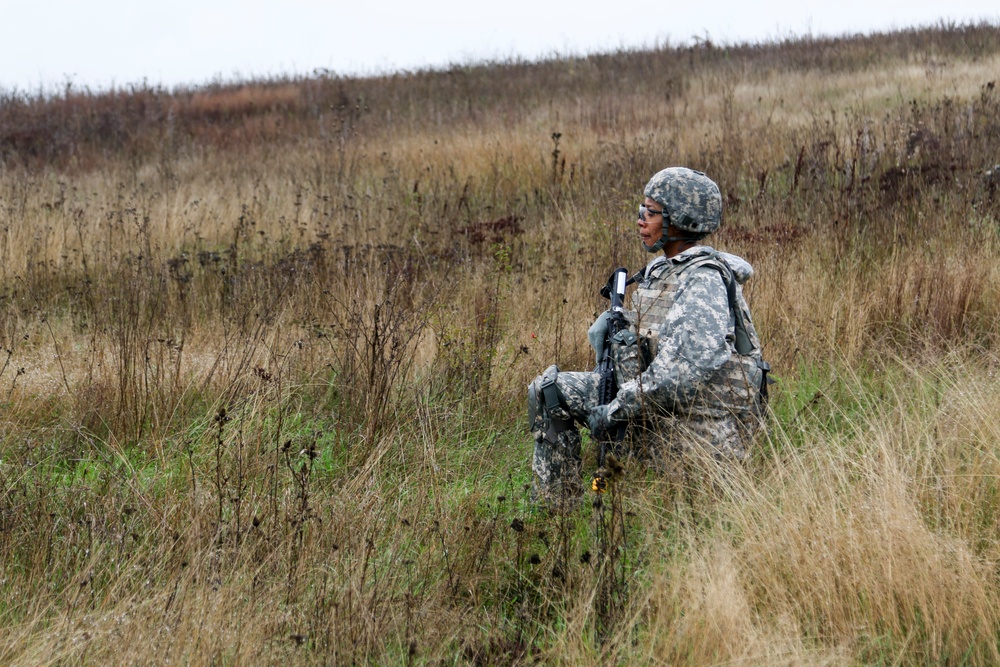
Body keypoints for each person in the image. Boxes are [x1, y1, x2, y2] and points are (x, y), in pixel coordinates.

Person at [527, 167, 769, 506]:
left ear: (680, 219)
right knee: (548, 390)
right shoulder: (661, 271)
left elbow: (681, 374)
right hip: (653, 406)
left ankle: (610, 492)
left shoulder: (704, 281)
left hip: (697, 422)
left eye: (651, 213)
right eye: (642, 210)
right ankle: (558, 510)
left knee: (683, 503)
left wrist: (614, 410)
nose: (641, 220)